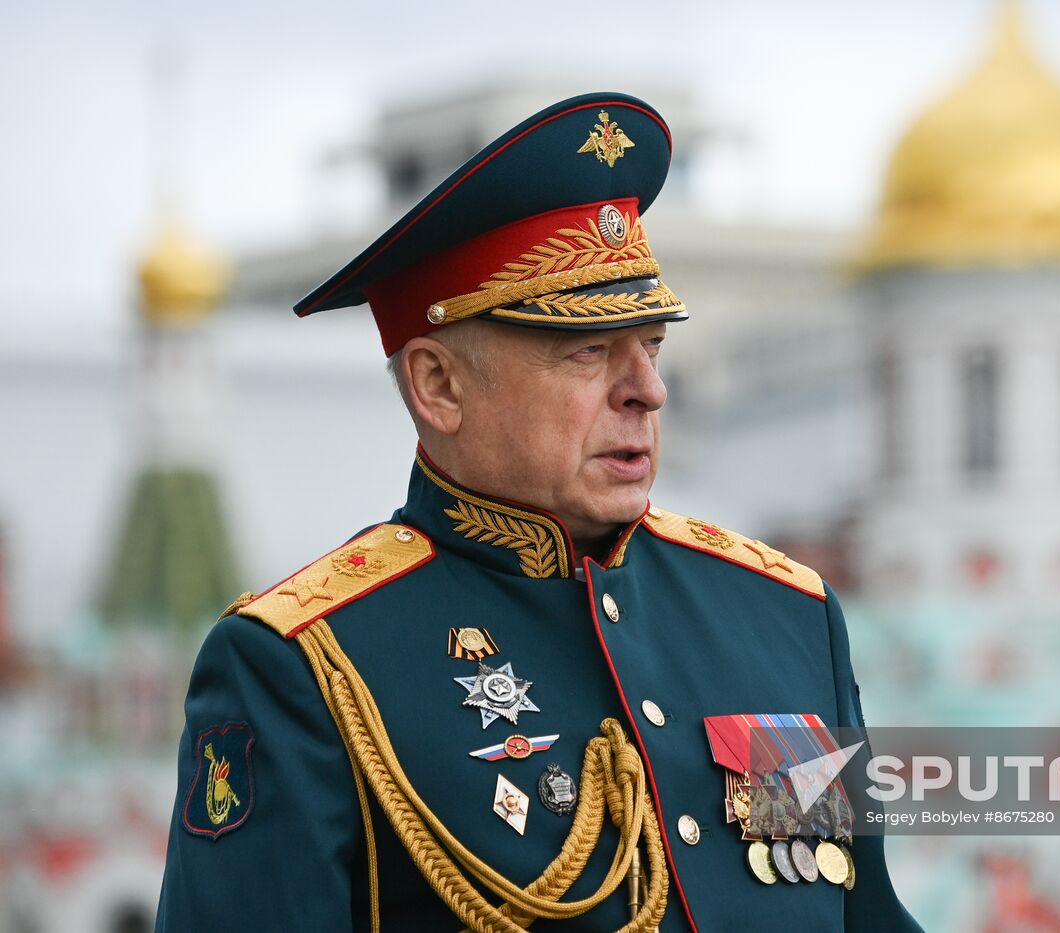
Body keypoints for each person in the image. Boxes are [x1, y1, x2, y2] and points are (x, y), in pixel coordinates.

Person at [155, 91, 921, 932]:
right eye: (589, 350)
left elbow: (865, 914)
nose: (648, 390)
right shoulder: (302, 665)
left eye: (653, 346)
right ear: (438, 386)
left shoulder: (783, 615)